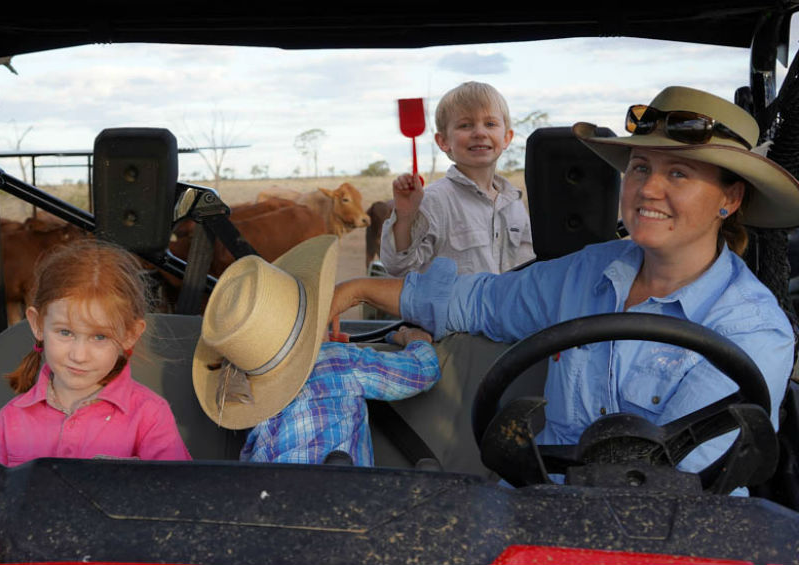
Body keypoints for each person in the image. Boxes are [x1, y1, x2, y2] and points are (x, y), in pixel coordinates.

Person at [330, 86, 799, 487]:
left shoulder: (752, 330)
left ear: (730, 199)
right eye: (639, 168)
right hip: (546, 504)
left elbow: (684, 480)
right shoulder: (587, 271)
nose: (648, 189)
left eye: (677, 173)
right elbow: (481, 301)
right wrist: (358, 290)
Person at [192, 235, 441, 465]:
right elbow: (421, 373)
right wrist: (415, 340)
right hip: (342, 498)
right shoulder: (340, 361)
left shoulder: (245, 386)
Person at [0, 238, 191, 466]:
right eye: (65, 332)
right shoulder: (9, 419)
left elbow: (175, 495)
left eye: (99, 337)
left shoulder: (150, 417)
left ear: (130, 334)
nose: (79, 355)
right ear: (37, 324)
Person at [380, 81, 535, 276]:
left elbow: (530, 266)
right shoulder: (435, 201)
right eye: (465, 125)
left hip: (506, 305)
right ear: (443, 141)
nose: (479, 133)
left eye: (490, 124)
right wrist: (405, 217)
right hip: (452, 307)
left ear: (506, 137)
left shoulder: (514, 203)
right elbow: (400, 267)